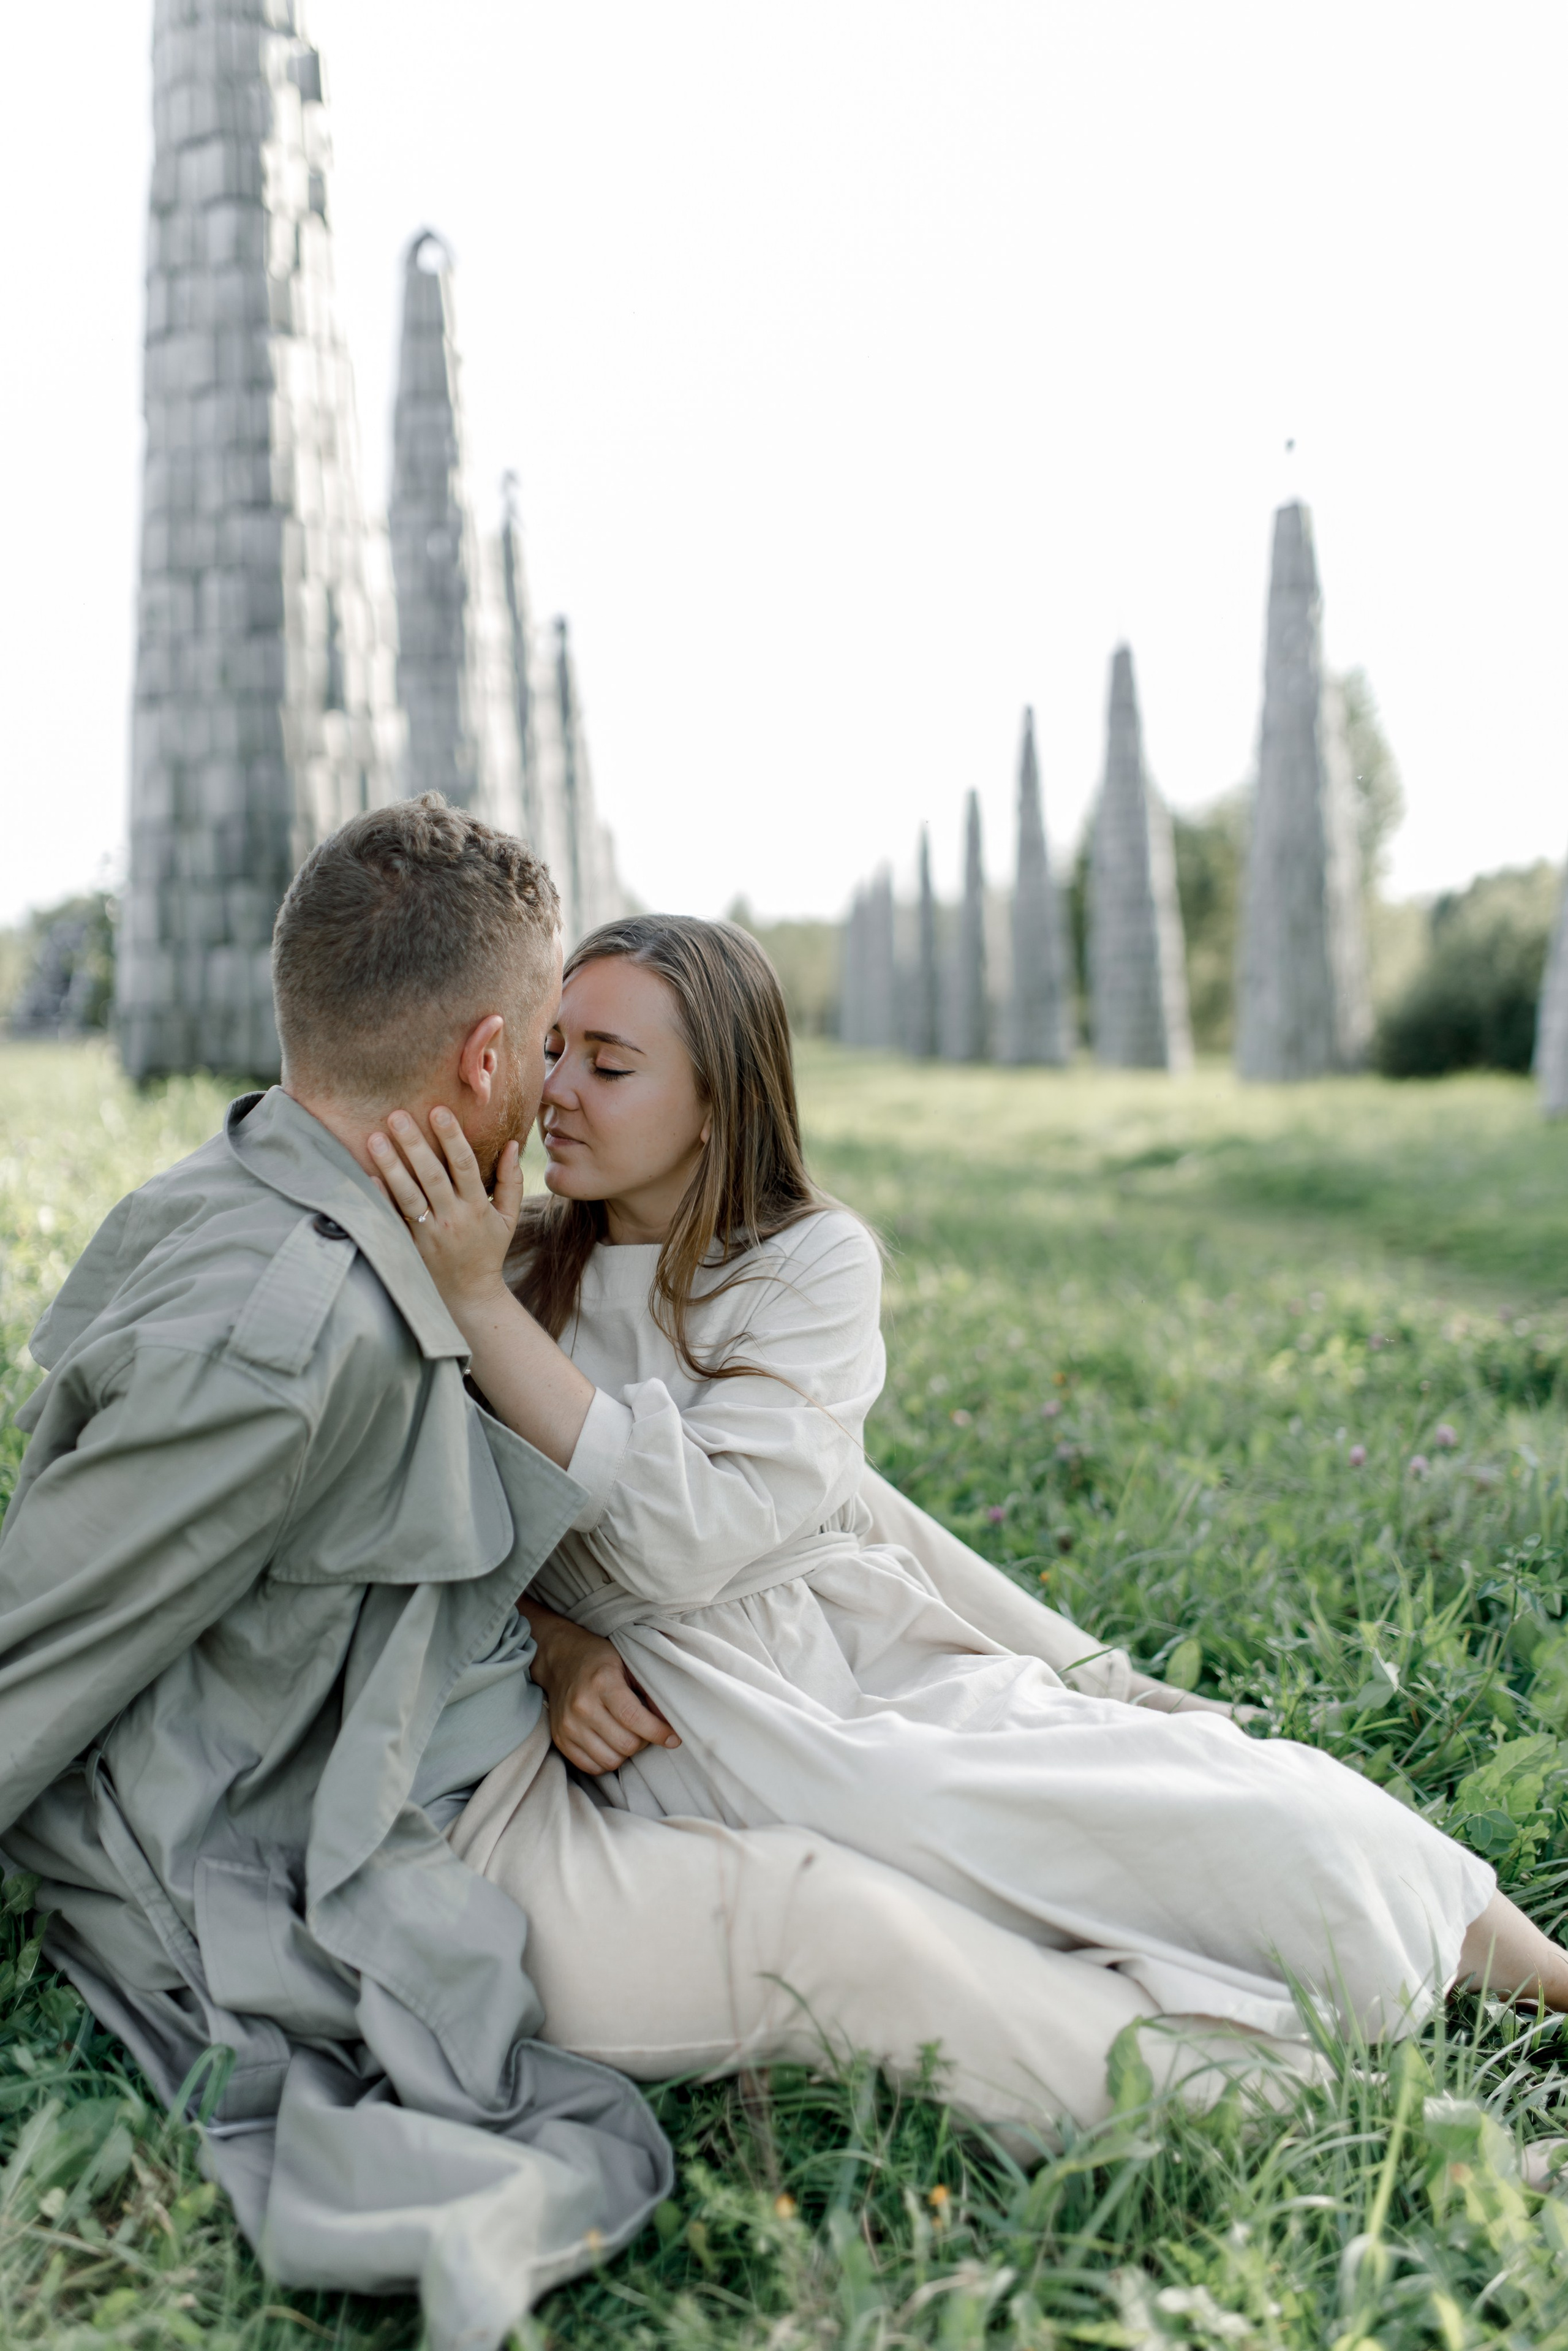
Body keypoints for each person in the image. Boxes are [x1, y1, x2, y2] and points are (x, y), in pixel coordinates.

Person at [0, 802, 1297, 2351]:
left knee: (934, 1807)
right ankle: (1282, 2105)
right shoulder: (286, 1331)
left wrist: (554, 1639)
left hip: (495, 1721)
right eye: (551, 1045)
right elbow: (36, 1650)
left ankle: (1261, 1921)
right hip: (410, 1833)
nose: (558, 1092)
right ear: (491, 1053)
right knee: (838, 1928)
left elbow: (408, 1519)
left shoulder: (315, 1199)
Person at [372, 910, 1568, 2043]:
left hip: (829, 1657)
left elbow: (690, 1536)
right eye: (552, 1050)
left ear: (715, 1104)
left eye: (609, 1065)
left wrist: (478, 1307)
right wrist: (555, 1644)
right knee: (927, 1848)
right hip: (678, 1715)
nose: (557, 1092)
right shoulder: (512, 1263)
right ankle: (1209, 2039)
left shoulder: (804, 1265)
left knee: (1158, 1794)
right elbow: (432, 1518)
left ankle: (1532, 1970)